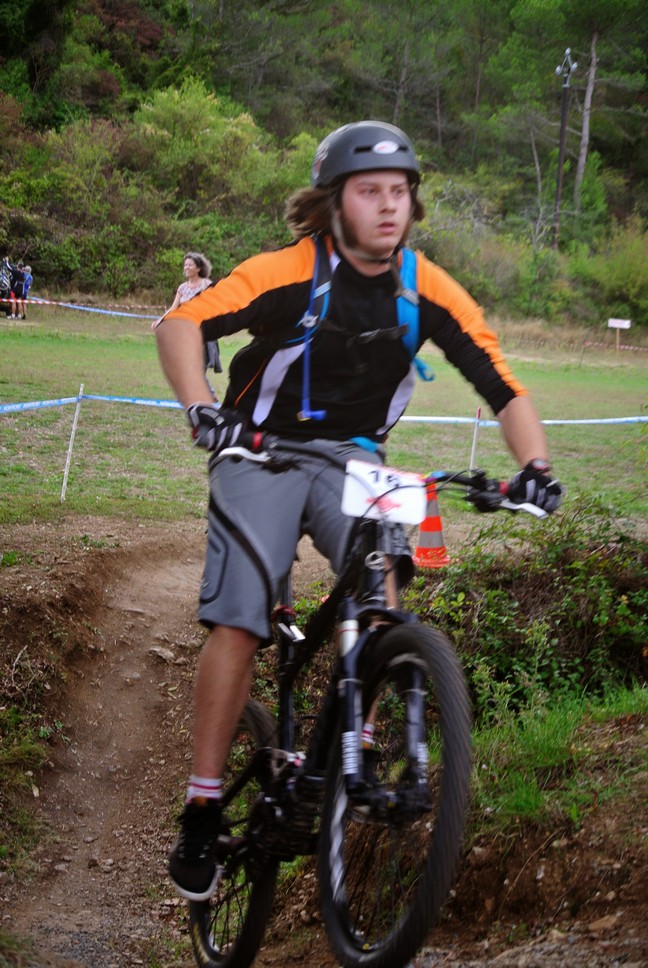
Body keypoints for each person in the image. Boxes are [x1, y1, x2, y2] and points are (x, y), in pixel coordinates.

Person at [155, 120, 564, 901]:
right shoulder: (289, 269)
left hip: (357, 458)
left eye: (400, 191)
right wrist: (202, 408)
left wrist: (534, 469)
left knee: (385, 571)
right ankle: (203, 808)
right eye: (369, 191)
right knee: (241, 616)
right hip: (259, 449)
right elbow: (182, 324)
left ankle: (361, 734)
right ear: (333, 202)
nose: (388, 205)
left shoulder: (424, 285)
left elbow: (501, 383)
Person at [153, 252, 222, 375]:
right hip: (184, 332)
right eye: (185, 265)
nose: (186, 267)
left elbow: (214, 306)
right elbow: (173, 308)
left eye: (190, 265)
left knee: (199, 369)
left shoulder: (206, 284)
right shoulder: (182, 287)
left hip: (201, 332)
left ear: (198, 268)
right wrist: (161, 320)